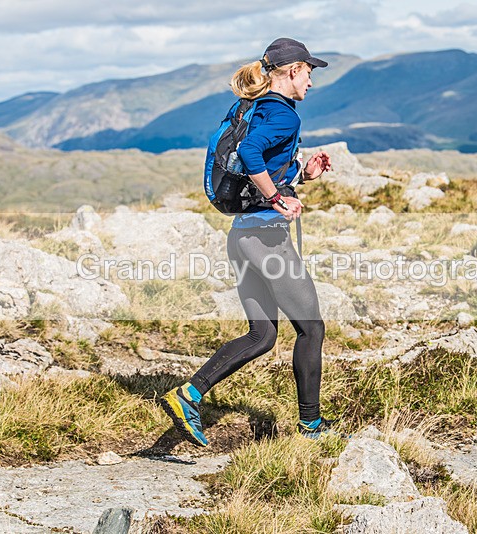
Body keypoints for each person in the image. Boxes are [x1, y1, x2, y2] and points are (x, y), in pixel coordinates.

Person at [159, 37, 334, 447]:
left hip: (240, 237)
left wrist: (302, 175)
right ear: (292, 71)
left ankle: (189, 393)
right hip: (267, 240)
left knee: (262, 335)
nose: (311, 81)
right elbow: (251, 153)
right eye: (309, 72)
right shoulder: (285, 117)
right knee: (312, 329)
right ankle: (312, 425)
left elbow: (256, 162)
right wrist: (277, 198)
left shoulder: (252, 108)